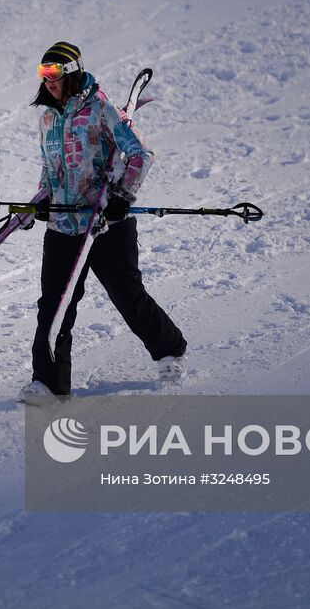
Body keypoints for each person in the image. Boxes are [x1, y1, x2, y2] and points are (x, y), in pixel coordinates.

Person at [19, 41, 187, 403]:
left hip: (106, 223)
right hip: (64, 228)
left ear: (71, 73)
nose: (47, 81)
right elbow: (50, 169)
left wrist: (123, 197)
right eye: (42, 74)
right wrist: (42, 201)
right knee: (54, 304)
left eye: (53, 74)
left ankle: (169, 349)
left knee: (127, 296)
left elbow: (141, 154)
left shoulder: (100, 108)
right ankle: (48, 384)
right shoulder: (47, 116)